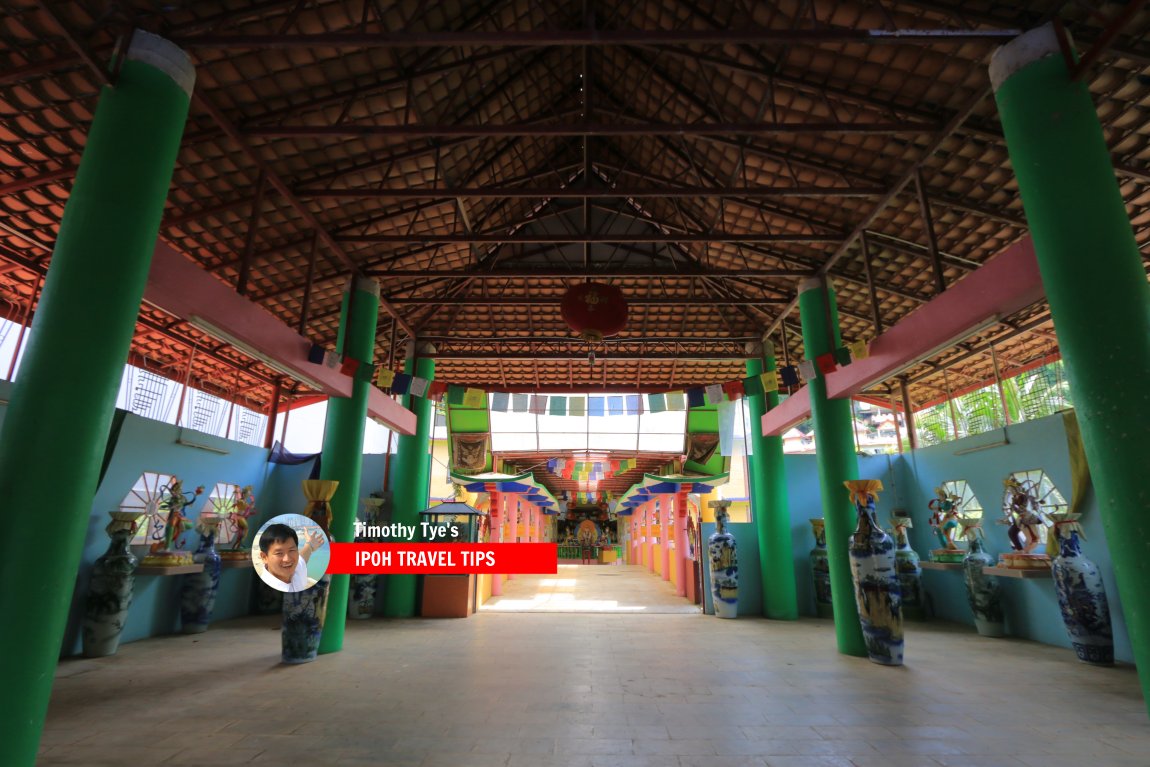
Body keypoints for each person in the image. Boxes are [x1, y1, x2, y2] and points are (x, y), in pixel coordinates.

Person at [257, 522, 325, 592]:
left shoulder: (296, 569)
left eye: (291, 550)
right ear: (264, 557)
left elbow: (302, 557)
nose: (287, 559)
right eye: (279, 553)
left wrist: (310, 544)